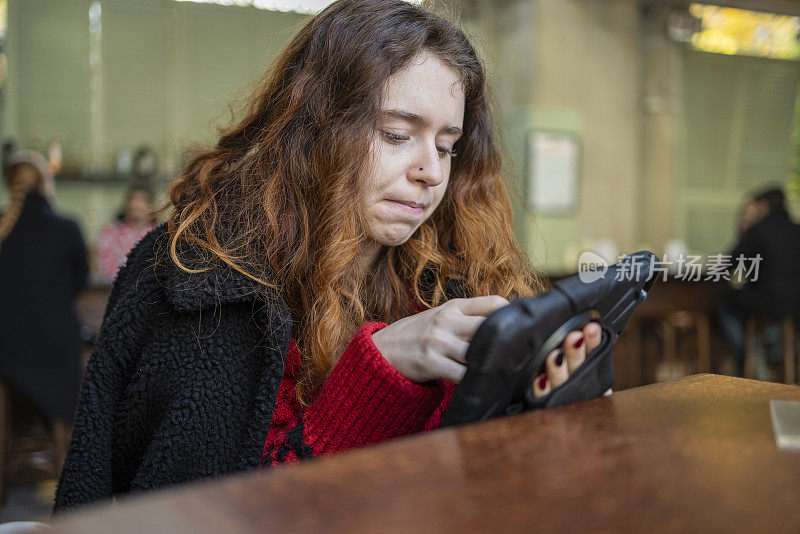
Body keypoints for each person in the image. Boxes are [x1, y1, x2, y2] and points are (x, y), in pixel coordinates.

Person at [53, 0, 605, 512]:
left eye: (445, 146)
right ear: (316, 128)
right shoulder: (204, 274)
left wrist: (532, 401)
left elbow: (455, 479)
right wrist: (377, 376)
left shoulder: (447, 276)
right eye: (396, 134)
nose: (431, 172)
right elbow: (213, 514)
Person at [0, 150, 89, 424]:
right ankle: (59, 450)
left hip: (6, 350)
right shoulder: (67, 228)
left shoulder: (4, 229)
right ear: (44, 184)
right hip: (56, 346)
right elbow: (79, 284)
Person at [716, 186, 800, 373]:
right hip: (796, 307)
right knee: (783, 321)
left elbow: (728, 263)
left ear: (763, 205)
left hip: (765, 302)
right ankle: (778, 357)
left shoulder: (758, 230)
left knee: (725, 303)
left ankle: (747, 358)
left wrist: (744, 231)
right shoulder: (796, 230)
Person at [94, 185, 156, 283]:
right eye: (132, 199)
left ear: (151, 205)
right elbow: (103, 265)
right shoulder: (110, 231)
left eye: (142, 200)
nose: (135, 204)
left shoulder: (158, 233)